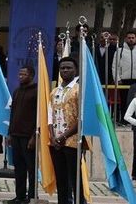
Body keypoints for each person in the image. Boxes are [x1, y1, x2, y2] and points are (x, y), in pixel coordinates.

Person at [49, 57, 82, 204]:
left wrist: (63, 137)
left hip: (72, 141)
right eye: (62, 68)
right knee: (61, 179)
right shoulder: (55, 91)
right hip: (55, 142)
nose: (65, 70)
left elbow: (81, 118)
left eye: (69, 68)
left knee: (75, 179)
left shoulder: (79, 90)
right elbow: (49, 116)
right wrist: (52, 137)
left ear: (75, 71)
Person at [7, 66, 39, 204]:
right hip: (15, 135)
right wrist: (9, 134)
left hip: (29, 137)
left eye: (24, 74)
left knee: (31, 168)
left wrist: (34, 136)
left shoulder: (37, 92)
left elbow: (39, 116)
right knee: (18, 168)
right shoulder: (16, 91)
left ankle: (31, 196)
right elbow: (13, 113)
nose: (20, 76)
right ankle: (19, 196)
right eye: (19, 74)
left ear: (31, 76)